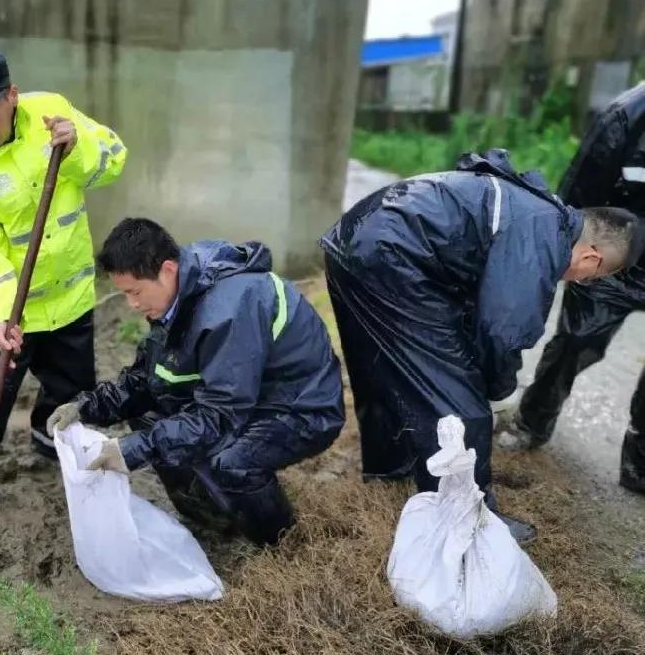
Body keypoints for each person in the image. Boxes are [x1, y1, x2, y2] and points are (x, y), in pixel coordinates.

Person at [320, 148, 644, 543]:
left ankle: (390, 465)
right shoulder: (542, 239)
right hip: (391, 256)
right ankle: (472, 516)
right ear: (593, 259)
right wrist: (494, 389)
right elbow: (503, 331)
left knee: (381, 365)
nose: (578, 281)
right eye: (591, 277)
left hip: (354, 240)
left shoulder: (542, 214)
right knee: (461, 400)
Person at [48, 218, 345, 546]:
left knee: (233, 463)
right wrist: (86, 406)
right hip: (248, 392)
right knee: (150, 416)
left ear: (167, 270)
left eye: (134, 292)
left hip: (301, 405)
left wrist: (135, 448)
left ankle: (281, 542)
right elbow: (150, 379)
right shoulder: (177, 296)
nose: (132, 304)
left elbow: (220, 415)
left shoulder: (226, 313)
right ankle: (214, 516)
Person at [0, 51, 127, 510]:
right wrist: (0, 318)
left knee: (71, 389)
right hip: (13, 312)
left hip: (71, 299)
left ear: (11, 96)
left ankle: (45, 437)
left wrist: (76, 148)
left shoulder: (52, 113)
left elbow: (114, 159)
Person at [504, 83, 645, 492]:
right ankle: (533, 420)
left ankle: (640, 460)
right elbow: (577, 196)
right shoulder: (627, 117)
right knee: (576, 341)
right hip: (614, 255)